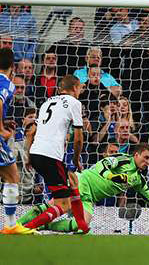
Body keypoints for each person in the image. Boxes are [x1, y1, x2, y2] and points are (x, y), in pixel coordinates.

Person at [17, 143, 149, 233]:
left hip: (89, 198)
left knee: (84, 225)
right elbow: (102, 165)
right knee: (52, 206)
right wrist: (113, 176)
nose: (147, 162)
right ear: (136, 154)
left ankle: (42, 226)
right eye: (145, 157)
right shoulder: (123, 159)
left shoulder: (139, 179)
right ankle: (15, 226)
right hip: (80, 183)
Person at [20, 75, 89, 234]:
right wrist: (76, 159)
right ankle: (26, 228)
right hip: (50, 155)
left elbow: (31, 133)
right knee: (64, 204)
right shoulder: (74, 103)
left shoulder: (46, 103)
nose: (79, 92)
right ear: (74, 88)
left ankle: (82, 226)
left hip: (37, 153)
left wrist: (29, 157)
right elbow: (78, 138)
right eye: (79, 89)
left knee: (73, 182)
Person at [0, 48, 30, 234]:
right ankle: (10, 225)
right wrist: (1, 129)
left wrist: (3, 121)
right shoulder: (6, 83)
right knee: (12, 177)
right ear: (12, 67)